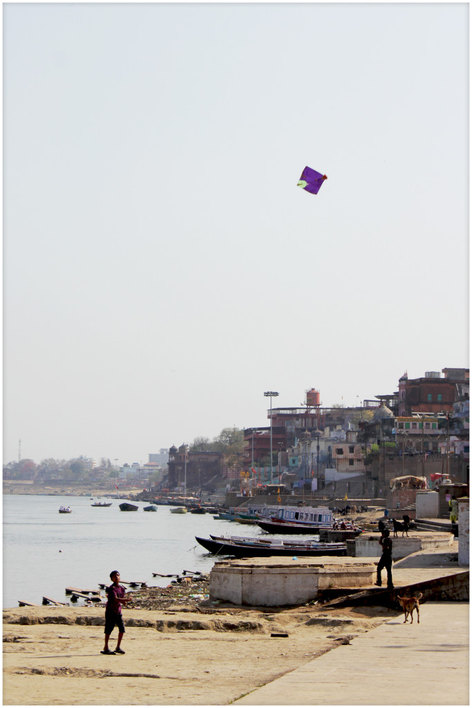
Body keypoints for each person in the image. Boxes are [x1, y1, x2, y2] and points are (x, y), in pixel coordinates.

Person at [102, 570, 129, 655]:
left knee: (122, 629)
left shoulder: (121, 588)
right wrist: (126, 600)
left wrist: (124, 602)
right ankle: (106, 647)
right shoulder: (111, 588)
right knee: (108, 630)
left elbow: (120, 599)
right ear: (111, 579)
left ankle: (118, 647)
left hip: (118, 611)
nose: (117, 577)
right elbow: (116, 599)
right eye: (114, 576)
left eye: (118, 575)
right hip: (111, 611)